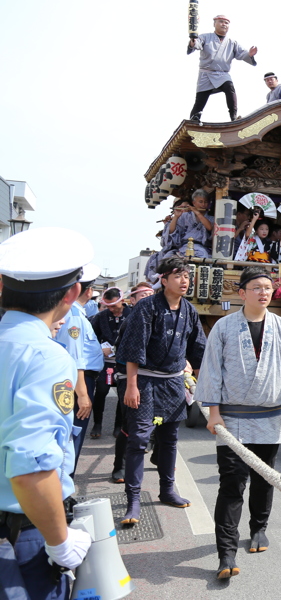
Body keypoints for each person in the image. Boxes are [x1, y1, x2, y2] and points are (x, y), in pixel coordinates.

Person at [196, 267, 281, 579]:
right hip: (232, 419)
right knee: (231, 484)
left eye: (268, 287)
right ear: (242, 293)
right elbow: (211, 370)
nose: (264, 293)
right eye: (257, 288)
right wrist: (213, 412)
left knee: (264, 479)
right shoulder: (224, 328)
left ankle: (259, 528)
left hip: (268, 417)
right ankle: (226, 552)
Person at [0, 228, 96, 600]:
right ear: (72, 294)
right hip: (21, 535)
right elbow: (30, 468)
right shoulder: (47, 355)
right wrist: (59, 542)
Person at [117, 255, 207, 524]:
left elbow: (198, 348)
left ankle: (167, 490)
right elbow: (133, 349)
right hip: (144, 381)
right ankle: (133, 500)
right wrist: (131, 386)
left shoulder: (189, 310)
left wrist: (200, 382)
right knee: (139, 439)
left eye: (187, 276)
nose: (184, 281)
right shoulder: (146, 307)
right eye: (178, 276)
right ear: (164, 279)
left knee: (169, 439)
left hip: (172, 382)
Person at [52, 262, 103, 476]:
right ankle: (64, 490)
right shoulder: (74, 315)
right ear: (88, 291)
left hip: (76, 381)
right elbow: (75, 358)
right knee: (72, 438)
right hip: (77, 383)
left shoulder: (77, 313)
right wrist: (82, 394)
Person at [108, 282, 155, 484]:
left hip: (158, 379)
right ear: (132, 301)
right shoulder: (130, 321)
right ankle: (120, 466)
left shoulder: (163, 317)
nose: (147, 298)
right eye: (142, 295)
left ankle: (159, 456)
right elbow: (122, 357)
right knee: (130, 424)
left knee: (161, 421)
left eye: (151, 295)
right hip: (131, 379)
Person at [188, 15, 257, 122]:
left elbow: (242, 53)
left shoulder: (232, 42)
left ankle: (233, 116)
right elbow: (196, 44)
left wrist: (250, 54)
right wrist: (193, 41)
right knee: (200, 100)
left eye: (226, 23)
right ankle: (194, 119)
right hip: (205, 74)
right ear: (214, 24)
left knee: (229, 87)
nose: (224, 24)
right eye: (221, 22)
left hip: (222, 74)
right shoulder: (205, 37)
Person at [89, 287, 127, 440]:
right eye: (107, 306)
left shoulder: (132, 315)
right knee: (101, 392)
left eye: (114, 306)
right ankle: (97, 423)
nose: (110, 309)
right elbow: (92, 338)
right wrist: (100, 348)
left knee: (122, 395)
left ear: (122, 301)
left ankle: (119, 425)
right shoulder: (101, 317)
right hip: (106, 362)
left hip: (125, 362)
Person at [164, 190, 215, 258]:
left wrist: (197, 213)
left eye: (205, 202)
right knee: (166, 258)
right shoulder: (185, 216)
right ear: (193, 203)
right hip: (183, 247)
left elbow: (209, 227)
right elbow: (171, 232)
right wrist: (176, 217)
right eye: (200, 202)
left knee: (203, 255)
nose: (203, 205)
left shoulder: (211, 218)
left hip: (203, 248)